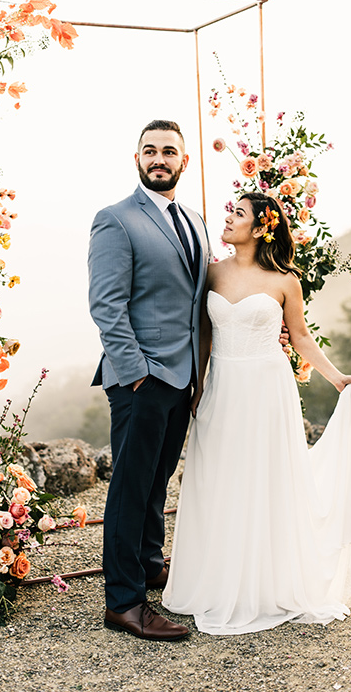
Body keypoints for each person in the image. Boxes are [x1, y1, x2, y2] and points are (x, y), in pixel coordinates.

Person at [162, 192, 351, 635]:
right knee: (220, 477)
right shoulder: (211, 273)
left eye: (238, 214)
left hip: (268, 388)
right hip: (223, 388)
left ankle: (268, 581)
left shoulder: (286, 280)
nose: (228, 219)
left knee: (267, 477)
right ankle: (218, 576)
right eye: (229, 212)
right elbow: (205, 336)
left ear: (260, 227)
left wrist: (338, 377)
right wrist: (198, 385)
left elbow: (302, 338)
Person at [87, 120, 212, 640]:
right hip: (140, 378)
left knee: (157, 481)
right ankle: (125, 602)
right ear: (136, 158)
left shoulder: (196, 221)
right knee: (131, 487)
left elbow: (196, 303)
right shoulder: (115, 220)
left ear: (185, 160)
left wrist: (198, 375)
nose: (159, 158)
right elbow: (106, 305)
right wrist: (137, 374)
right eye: (150, 150)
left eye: (169, 151)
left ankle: (149, 562)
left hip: (182, 378)